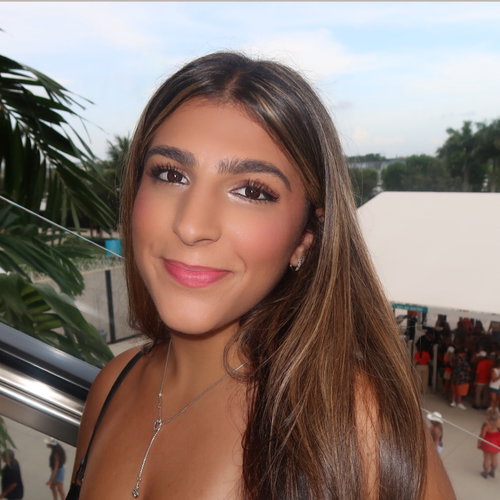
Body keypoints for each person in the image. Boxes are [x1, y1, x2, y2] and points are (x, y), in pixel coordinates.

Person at [68, 51, 455, 499]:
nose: (191, 225)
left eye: (251, 191)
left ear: (307, 235)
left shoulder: (355, 424)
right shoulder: (111, 386)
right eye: (171, 175)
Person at [478, 409, 500, 478]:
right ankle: (492, 472)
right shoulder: (499, 421)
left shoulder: (486, 423)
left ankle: (485, 472)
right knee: (494, 457)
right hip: (497, 442)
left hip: (488, 441)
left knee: (487, 458)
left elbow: (483, 434)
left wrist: (479, 442)